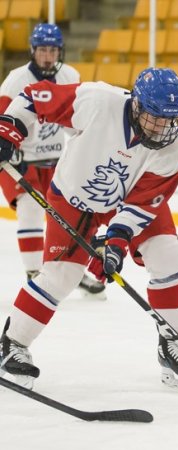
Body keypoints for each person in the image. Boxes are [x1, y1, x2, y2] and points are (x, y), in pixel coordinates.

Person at [0, 66, 178, 391]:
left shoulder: (171, 151)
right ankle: (12, 343)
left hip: (128, 198)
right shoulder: (97, 101)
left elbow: (140, 205)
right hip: (73, 197)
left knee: (168, 254)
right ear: (136, 105)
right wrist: (9, 130)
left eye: (169, 119)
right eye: (153, 117)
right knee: (61, 275)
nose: (161, 127)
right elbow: (34, 98)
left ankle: (172, 343)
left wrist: (116, 244)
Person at [0, 23, 105, 296]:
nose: (48, 55)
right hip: (23, 160)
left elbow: (78, 117)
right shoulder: (16, 79)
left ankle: (71, 270)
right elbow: (4, 119)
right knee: (30, 210)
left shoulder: (70, 74)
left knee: (69, 215)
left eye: (53, 50)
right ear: (33, 50)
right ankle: (35, 273)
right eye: (43, 49)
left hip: (58, 159)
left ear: (61, 51)